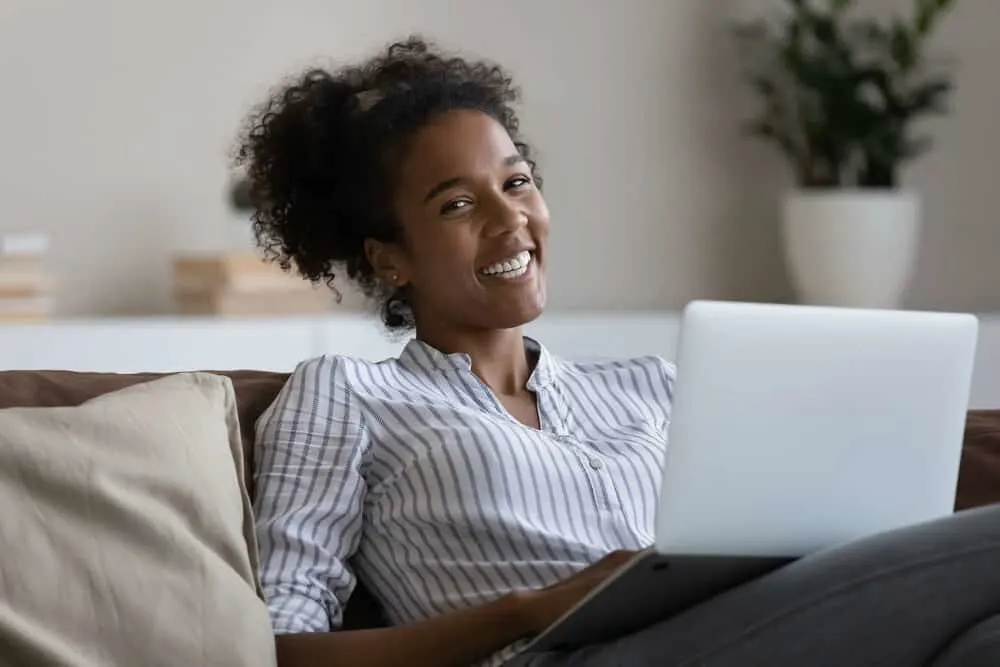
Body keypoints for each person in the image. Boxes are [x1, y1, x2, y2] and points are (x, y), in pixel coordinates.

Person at [237, 36, 1000, 667]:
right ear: (387, 258)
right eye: (459, 204)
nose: (512, 221)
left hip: (737, 631)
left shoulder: (655, 387)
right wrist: (529, 609)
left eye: (519, 182)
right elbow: (281, 646)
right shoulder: (345, 394)